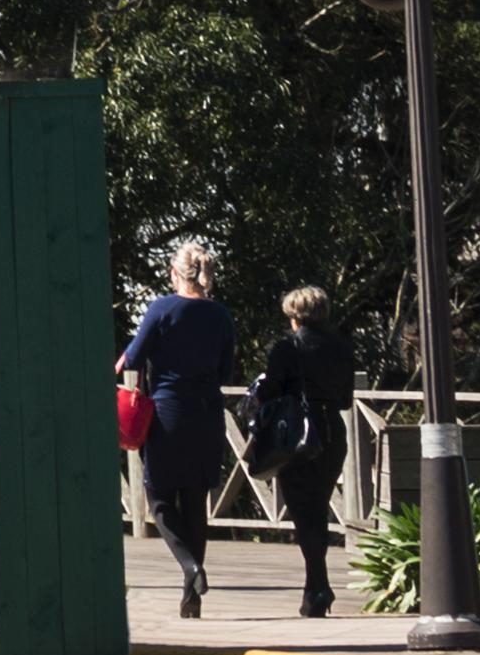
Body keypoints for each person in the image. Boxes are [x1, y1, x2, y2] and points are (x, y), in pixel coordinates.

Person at [121, 238, 250, 618]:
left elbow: (135, 356)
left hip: (168, 412)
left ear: (175, 273)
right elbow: (225, 370)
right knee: (195, 501)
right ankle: (190, 598)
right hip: (208, 413)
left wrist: (126, 358)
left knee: (160, 500)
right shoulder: (222, 316)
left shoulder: (161, 308)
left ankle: (191, 567)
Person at [241, 286, 359, 622]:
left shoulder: (287, 346)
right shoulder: (340, 346)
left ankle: (317, 588)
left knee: (303, 511)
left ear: (293, 316)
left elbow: (270, 390)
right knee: (317, 505)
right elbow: (348, 399)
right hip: (333, 433)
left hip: (298, 435)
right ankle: (317, 587)